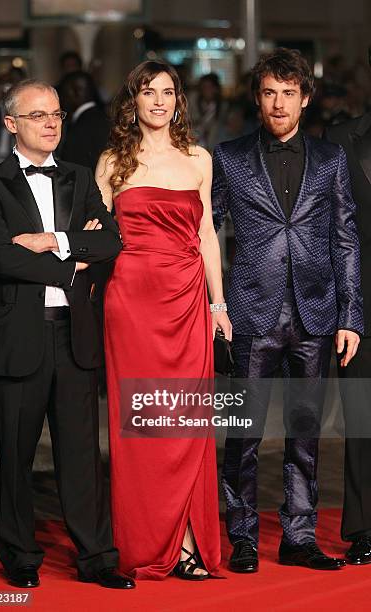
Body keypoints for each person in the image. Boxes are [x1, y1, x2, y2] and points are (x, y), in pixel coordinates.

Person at [0, 79, 134, 590]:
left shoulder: (81, 177)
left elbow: (109, 240)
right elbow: (2, 255)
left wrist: (54, 241)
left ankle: (98, 556)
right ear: (12, 124)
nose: (52, 123)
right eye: (39, 115)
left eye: (57, 114)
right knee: (15, 456)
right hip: (17, 337)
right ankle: (20, 555)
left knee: (83, 455)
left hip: (73, 336)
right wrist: (71, 264)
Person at [212, 48, 363, 573]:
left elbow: (345, 238)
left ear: (305, 98)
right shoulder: (227, 157)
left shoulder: (330, 158)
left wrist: (351, 316)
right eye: (269, 93)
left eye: (289, 94)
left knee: (305, 434)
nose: (279, 104)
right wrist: (212, 302)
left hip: (316, 315)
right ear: (257, 97)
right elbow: (203, 231)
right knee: (244, 434)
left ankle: (298, 536)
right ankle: (243, 537)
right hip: (250, 311)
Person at [96, 60, 232, 580]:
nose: (159, 101)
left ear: (180, 100)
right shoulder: (113, 162)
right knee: (143, 426)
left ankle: (192, 539)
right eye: (149, 92)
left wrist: (218, 305)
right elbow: (98, 234)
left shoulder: (199, 158)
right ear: (133, 99)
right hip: (130, 304)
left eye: (168, 92)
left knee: (188, 424)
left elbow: (207, 236)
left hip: (188, 300)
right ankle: (151, 541)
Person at [325, 108, 371, 564]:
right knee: (362, 423)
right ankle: (364, 527)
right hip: (359, 304)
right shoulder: (340, 138)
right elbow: (330, 230)